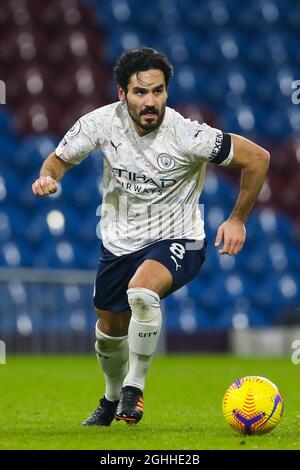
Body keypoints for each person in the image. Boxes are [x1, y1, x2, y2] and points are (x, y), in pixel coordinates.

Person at [32, 47, 270, 426]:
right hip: (119, 243)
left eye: (158, 91)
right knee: (109, 332)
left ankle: (134, 388)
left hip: (180, 239)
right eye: (141, 92)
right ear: (122, 93)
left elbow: (258, 158)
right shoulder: (101, 123)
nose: (151, 101)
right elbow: (58, 159)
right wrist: (49, 178)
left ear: (166, 92)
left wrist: (237, 219)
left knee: (141, 292)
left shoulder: (188, 134)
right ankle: (111, 399)